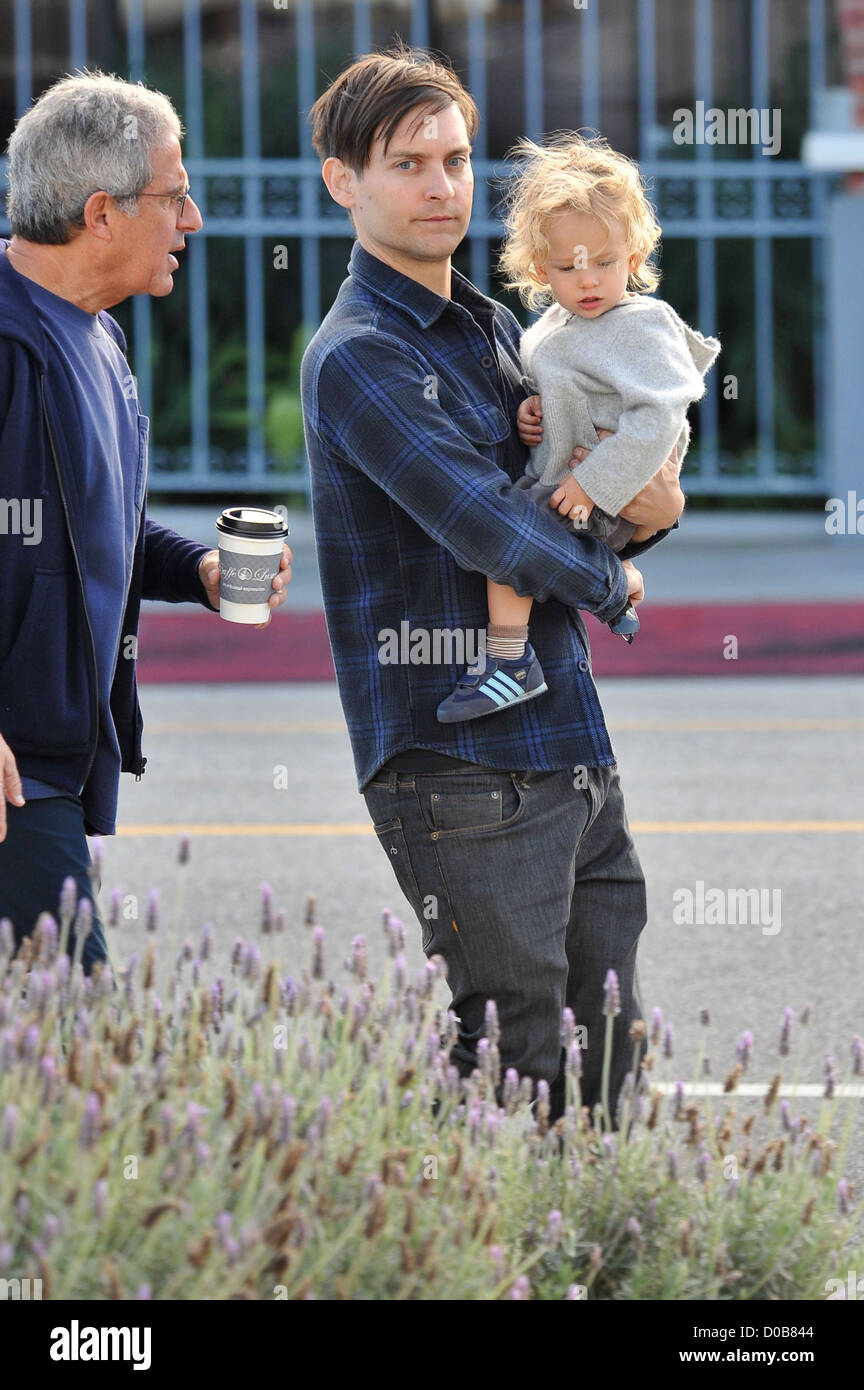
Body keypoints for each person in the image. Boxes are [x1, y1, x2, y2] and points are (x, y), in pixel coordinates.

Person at [301, 43, 682, 1122]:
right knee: (514, 1061)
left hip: (565, 738)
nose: (440, 184)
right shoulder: (361, 355)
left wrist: (650, 520)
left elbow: (585, 487)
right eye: (408, 163)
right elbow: (486, 526)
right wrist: (612, 585)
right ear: (344, 180)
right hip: (458, 764)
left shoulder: (504, 325)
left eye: (457, 159)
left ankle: (602, 1268)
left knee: (609, 1049)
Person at [0, 71, 292, 973]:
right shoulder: (10, 344)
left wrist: (199, 571)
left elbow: (89, 518)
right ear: (101, 214)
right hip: (18, 771)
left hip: (53, 756)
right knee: (78, 1038)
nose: (192, 219)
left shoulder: (97, 333)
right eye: (174, 196)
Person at [438, 130, 720, 722]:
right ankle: (615, 583)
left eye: (606, 262)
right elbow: (555, 390)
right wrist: (533, 413)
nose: (588, 281)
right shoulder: (546, 330)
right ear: (541, 269)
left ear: (635, 257)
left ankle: (510, 660)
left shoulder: (643, 324)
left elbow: (661, 413)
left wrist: (596, 483)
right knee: (508, 537)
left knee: (503, 546)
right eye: (568, 267)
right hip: (571, 488)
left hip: (606, 493)